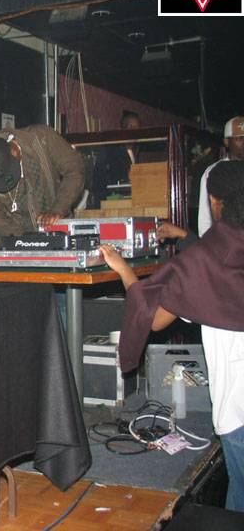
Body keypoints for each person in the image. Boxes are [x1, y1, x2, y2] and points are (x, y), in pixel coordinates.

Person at [100, 160, 244, 512]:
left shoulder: (207, 261)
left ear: (215, 202)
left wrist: (123, 268)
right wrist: (183, 236)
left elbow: (154, 318)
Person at [0, 125, 85, 236]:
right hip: (20, 236)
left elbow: (75, 171)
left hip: (60, 230)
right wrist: (24, 239)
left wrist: (58, 209)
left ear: (15, 152)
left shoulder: (43, 138)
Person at [198, 115, 244, 236]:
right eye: (239, 139)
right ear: (226, 142)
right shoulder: (214, 172)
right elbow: (205, 218)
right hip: (225, 241)